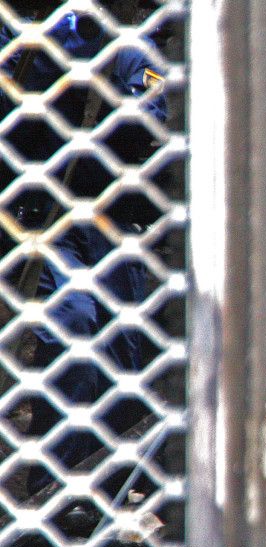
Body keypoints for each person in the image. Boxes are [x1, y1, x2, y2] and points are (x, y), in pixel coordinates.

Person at [0, 11, 167, 494]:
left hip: (108, 216)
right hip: (43, 215)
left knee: (128, 354)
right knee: (74, 326)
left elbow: (150, 118)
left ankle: (98, 490)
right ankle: (50, 487)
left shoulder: (135, 41)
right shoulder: (35, 31)